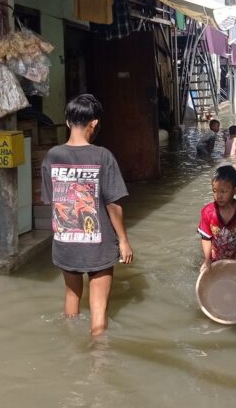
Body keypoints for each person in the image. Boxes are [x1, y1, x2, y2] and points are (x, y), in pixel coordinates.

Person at [41, 94, 133, 336]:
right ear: (93, 123)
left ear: (68, 121)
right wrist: (123, 241)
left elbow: (53, 201)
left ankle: (70, 347)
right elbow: (113, 205)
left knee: (71, 299)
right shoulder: (103, 156)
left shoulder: (52, 157)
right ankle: (99, 360)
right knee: (99, 310)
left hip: (65, 242)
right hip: (98, 245)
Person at [197, 165, 236, 272]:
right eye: (215, 191)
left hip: (235, 258)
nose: (218, 196)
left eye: (223, 192)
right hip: (214, 258)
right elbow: (206, 238)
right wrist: (207, 259)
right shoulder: (208, 212)